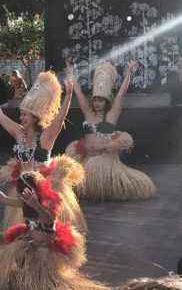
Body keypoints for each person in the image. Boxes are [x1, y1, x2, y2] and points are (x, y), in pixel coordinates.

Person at [0, 71, 87, 234]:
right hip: (24, 187)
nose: (21, 117)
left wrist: (68, 95)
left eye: (24, 114)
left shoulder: (46, 136)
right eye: (21, 114)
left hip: (44, 188)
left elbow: (60, 118)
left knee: (47, 232)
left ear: (34, 116)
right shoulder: (18, 132)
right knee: (27, 232)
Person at [0, 169, 107, 290]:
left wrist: (36, 205)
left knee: (43, 279)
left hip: (45, 248)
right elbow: (3, 198)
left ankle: (43, 280)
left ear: (30, 192)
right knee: (19, 256)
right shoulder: (24, 203)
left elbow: (49, 220)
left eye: (20, 193)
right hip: (31, 241)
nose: (18, 196)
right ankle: (27, 274)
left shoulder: (46, 204)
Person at [66, 60, 157, 201]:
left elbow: (120, 94)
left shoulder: (111, 115)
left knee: (112, 192)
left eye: (101, 100)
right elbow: (78, 93)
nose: (97, 103)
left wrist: (129, 72)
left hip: (104, 161)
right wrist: (71, 72)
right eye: (95, 100)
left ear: (107, 101)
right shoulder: (88, 113)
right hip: (87, 161)